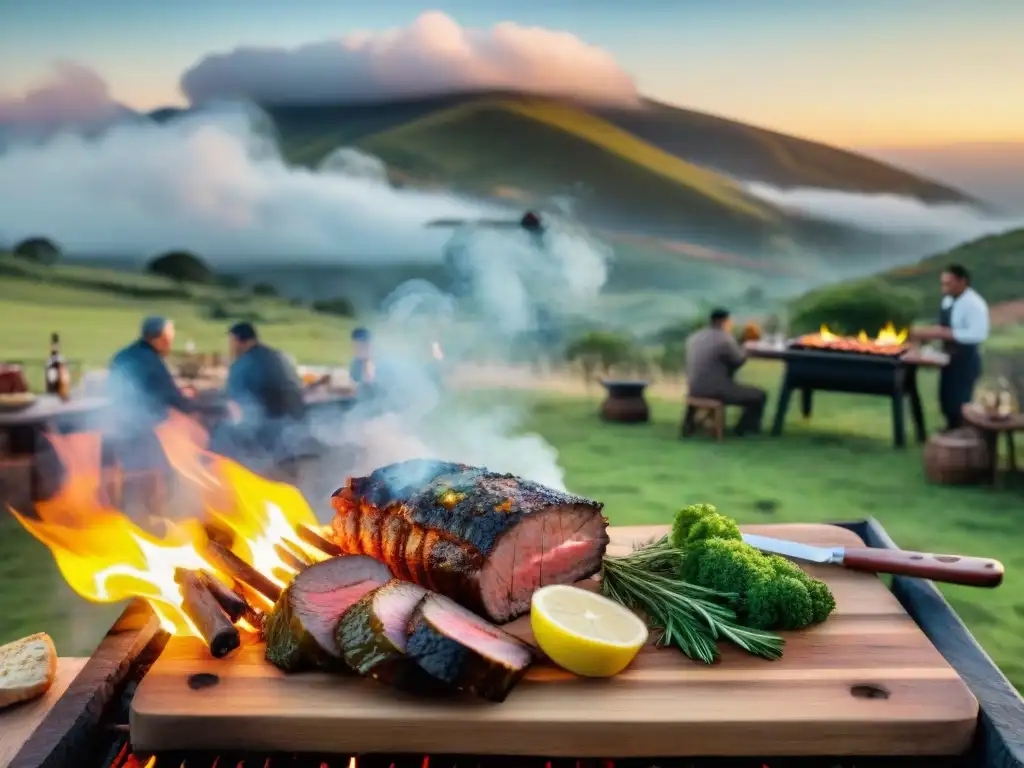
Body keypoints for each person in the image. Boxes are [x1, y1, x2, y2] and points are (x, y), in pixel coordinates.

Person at [104, 316, 195, 518]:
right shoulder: (152, 361)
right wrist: (194, 401)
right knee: (172, 469)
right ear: (160, 338)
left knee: (140, 467)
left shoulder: (122, 355)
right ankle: (162, 513)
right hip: (138, 431)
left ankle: (134, 509)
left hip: (114, 427)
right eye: (169, 338)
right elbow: (175, 399)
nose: (170, 343)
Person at [212, 322, 309, 469]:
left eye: (231, 343)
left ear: (240, 341)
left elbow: (235, 405)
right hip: (296, 429)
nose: (230, 348)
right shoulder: (280, 357)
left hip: (265, 435)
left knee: (219, 432)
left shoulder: (243, 364)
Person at [909, 264, 989, 431]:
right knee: (945, 397)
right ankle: (951, 429)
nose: (944, 287)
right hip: (948, 356)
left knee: (960, 399)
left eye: (948, 283)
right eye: (943, 283)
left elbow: (978, 334)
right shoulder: (947, 301)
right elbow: (942, 326)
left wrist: (944, 333)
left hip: (966, 358)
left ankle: (962, 434)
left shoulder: (975, 304)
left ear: (962, 282)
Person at [685, 308, 767, 436]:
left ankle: (690, 426)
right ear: (725, 322)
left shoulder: (696, 337)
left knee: (741, 389)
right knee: (759, 395)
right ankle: (744, 429)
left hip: (694, 388)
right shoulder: (724, 339)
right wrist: (747, 346)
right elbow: (738, 361)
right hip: (716, 390)